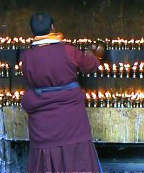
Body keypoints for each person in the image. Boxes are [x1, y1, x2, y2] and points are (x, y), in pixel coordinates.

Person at [20, 12, 104, 172]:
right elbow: (90, 65)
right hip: (71, 121)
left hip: (42, 125)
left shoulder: (26, 57)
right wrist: (92, 54)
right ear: (52, 28)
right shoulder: (68, 51)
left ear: (33, 32)